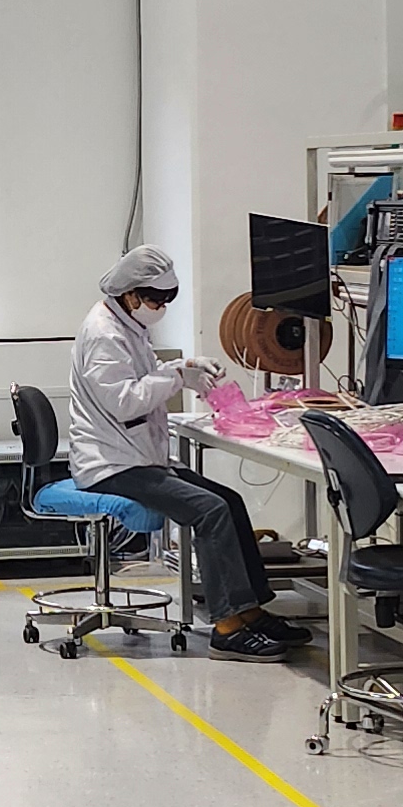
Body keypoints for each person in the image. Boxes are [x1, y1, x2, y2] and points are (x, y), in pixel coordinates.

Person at [68, 245, 302, 660]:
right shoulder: (104, 334)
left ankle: (250, 610)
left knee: (229, 500)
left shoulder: (127, 325)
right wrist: (176, 377)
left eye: (166, 300)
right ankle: (227, 627)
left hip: (137, 455)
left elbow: (143, 377)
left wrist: (187, 370)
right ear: (130, 294)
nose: (161, 308)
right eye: (156, 300)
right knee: (209, 511)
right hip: (111, 464)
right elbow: (124, 401)